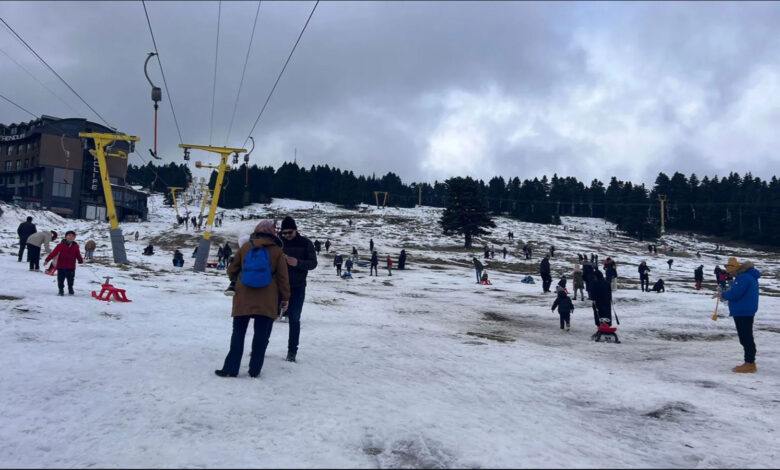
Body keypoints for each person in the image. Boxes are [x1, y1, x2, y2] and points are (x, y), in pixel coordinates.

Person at [215, 220, 290, 378]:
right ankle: (254, 370)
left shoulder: (246, 247)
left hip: (243, 297)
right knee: (261, 336)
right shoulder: (277, 251)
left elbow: (231, 270)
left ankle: (231, 368)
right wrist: (285, 298)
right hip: (267, 299)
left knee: (238, 333)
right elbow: (283, 278)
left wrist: (239, 280)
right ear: (272, 232)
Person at [278, 215, 318, 362]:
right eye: (284, 233)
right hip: (278, 286)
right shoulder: (278, 242)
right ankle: (260, 347)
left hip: (297, 286)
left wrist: (298, 263)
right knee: (268, 317)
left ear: (296, 230)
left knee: (294, 319)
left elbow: (313, 263)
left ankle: (292, 352)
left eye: (290, 232)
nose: (287, 235)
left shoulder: (305, 243)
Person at [719, 257, 761, 373]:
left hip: (743, 311)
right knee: (746, 337)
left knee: (745, 337)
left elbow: (735, 294)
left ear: (736, 269)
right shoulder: (748, 277)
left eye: (730, 271)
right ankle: (749, 362)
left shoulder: (743, 277)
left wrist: (723, 294)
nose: (730, 273)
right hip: (746, 310)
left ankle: (750, 364)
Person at [44, 231, 83, 296]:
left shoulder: (76, 246)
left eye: (72, 236)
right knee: (60, 280)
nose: (71, 237)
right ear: (66, 237)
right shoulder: (60, 245)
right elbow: (53, 253)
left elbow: (77, 254)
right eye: (69, 235)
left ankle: (70, 289)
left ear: (74, 237)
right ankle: (61, 290)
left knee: (70, 280)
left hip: (71, 267)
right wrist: (47, 260)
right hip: (61, 266)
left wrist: (80, 260)